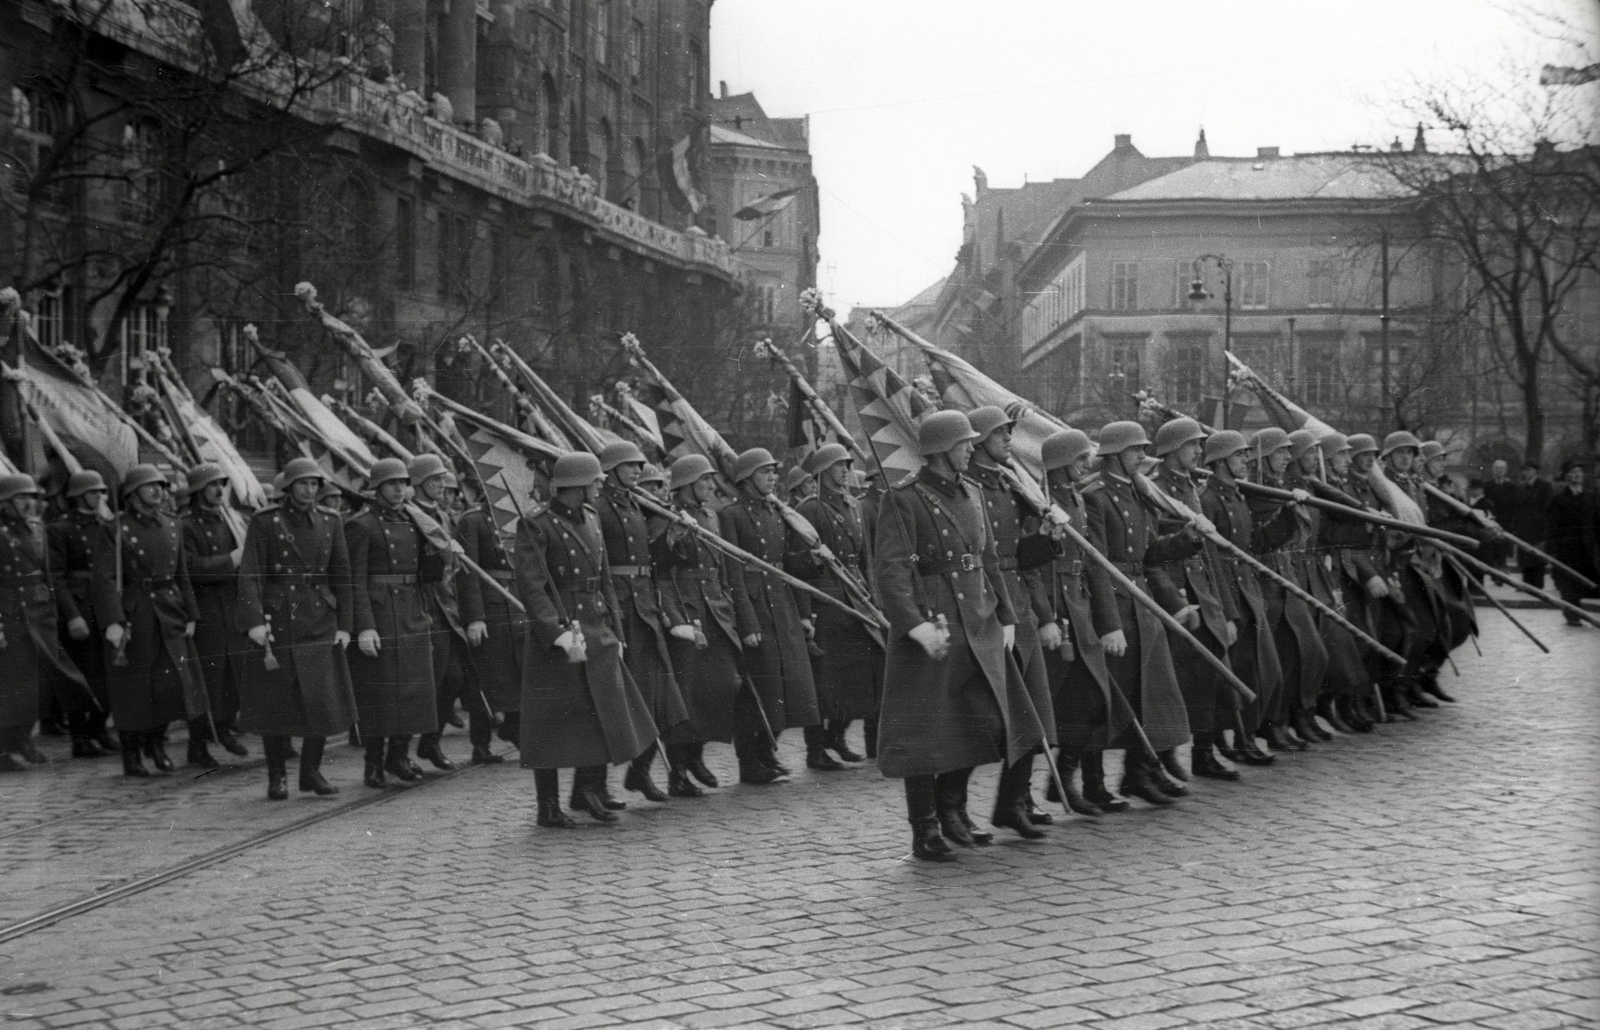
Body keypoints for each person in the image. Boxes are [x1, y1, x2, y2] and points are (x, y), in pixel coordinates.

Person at [873, 411, 1056, 860]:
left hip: (980, 618)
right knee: (926, 729)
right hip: (934, 622)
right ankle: (927, 826)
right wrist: (913, 624)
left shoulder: (972, 491)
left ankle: (952, 807)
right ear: (939, 450)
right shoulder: (904, 498)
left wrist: (1007, 615)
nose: (971, 448)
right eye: (964, 443)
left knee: (988, 719)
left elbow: (989, 559)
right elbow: (892, 569)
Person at [512, 452, 657, 827]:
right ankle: (547, 806)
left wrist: (618, 632)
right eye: (594, 482)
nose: (599, 486)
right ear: (574, 486)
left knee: (601, 712)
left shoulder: (592, 519)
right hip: (560, 633)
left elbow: (605, 579)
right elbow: (532, 587)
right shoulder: (537, 525)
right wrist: (554, 632)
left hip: (597, 626)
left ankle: (588, 791)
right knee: (551, 722)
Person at [1083, 421, 1193, 805]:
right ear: (1113, 454)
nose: (1143, 456)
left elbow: (1149, 554)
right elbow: (1095, 563)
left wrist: (1186, 540)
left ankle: (1140, 772)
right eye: (1135, 451)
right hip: (1115, 601)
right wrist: (1108, 624)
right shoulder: (1095, 496)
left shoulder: (1140, 491)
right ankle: (1093, 785)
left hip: (1141, 599)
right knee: (1107, 699)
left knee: (1153, 692)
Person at [235, 457, 358, 799]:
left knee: (320, 702)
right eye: (303, 483)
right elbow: (250, 574)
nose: (310, 489)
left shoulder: (331, 521)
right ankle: (277, 776)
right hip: (280, 622)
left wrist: (346, 625)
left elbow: (342, 577)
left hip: (320, 620)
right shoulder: (265, 522)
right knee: (277, 704)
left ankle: (311, 772)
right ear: (288, 487)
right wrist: (255, 622)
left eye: (315, 483)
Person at [964, 406, 1056, 823]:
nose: (1008, 439)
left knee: (1032, 713)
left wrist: (1048, 540)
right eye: (1000, 433)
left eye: (1008, 432)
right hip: (985, 606)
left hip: (1018, 606)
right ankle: (955, 812)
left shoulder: (1007, 486)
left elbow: (1021, 558)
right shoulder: (968, 488)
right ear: (979, 440)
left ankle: (1014, 801)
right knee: (981, 721)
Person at [1031, 428, 1129, 812]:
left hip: (1079, 606)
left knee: (1092, 700)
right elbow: (1033, 568)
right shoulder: (1038, 499)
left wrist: (1109, 623)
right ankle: (1021, 797)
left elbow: (1095, 565)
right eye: (1080, 458)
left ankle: (1071, 780)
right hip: (1055, 608)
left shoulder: (1076, 499)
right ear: (1062, 464)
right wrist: (1044, 615)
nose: (1087, 464)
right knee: (1043, 708)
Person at [652, 454, 761, 793]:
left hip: (717, 609)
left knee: (723, 686)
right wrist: (673, 533)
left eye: (711, 481)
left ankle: (697, 754)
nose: (711, 487)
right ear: (685, 485)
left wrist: (732, 608)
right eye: (703, 481)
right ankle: (680, 770)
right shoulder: (665, 516)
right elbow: (659, 568)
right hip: (687, 608)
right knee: (688, 694)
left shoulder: (711, 515)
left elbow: (724, 567)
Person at [91, 464, 205, 778]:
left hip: (170, 611)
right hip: (135, 614)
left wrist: (191, 613)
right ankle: (131, 753)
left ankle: (156, 744)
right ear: (131, 492)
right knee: (134, 688)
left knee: (170, 684)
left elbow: (182, 574)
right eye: (149, 485)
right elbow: (103, 580)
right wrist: (113, 621)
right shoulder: (114, 527)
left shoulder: (173, 524)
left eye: (161, 485)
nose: (158, 491)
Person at [595, 441, 691, 803]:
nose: (638, 470)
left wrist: (671, 537)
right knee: (615, 702)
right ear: (612, 469)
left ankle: (639, 773)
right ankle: (591, 787)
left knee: (661, 699)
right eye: (630, 465)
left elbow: (651, 561)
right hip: (617, 608)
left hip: (645, 609)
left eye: (639, 465)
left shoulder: (637, 505)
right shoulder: (600, 508)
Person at [719, 447, 821, 783]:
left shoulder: (778, 513)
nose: (772, 478)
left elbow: (790, 565)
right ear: (747, 478)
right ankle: (750, 762)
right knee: (758, 690)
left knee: (787, 686)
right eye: (765, 472)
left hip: (782, 605)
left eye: (774, 472)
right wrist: (746, 621)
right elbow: (733, 572)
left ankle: (768, 753)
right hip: (756, 606)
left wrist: (813, 564)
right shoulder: (732, 515)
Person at [1147, 417, 1240, 780]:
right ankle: (1164, 756)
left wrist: (1227, 610)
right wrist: (1175, 601)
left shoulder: (1190, 488)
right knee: (1175, 683)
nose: (1200, 451)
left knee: (1209, 678)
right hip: (1176, 592)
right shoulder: (1156, 490)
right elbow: (1151, 552)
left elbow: (1211, 552)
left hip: (1203, 590)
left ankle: (1203, 753)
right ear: (1172, 450)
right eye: (1192, 445)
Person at [345, 458, 439, 787]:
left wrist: (441, 548)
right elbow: (354, 581)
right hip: (381, 613)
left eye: (403, 483)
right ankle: (373, 762)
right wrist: (365, 626)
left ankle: (398, 756)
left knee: (414, 691)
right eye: (392, 484)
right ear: (378, 487)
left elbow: (429, 573)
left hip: (412, 610)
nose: (399, 489)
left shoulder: (416, 520)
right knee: (380, 693)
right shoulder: (362, 524)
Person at [1199, 431, 1288, 764]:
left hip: (1247, 590)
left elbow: (1256, 545)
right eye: (1239, 456)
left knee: (1256, 669)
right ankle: (1233, 740)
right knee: (1234, 673)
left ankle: (1244, 736)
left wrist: (1288, 516)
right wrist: (1227, 611)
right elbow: (1211, 560)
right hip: (1228, 592)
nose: (1246, 461)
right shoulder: (1208, 500)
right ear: (1221, 461)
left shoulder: (1236, 496)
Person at [794, 443, 883, 770]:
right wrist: (806, 612)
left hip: (854, 594)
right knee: (825, 680)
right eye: (837, 465)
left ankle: (838, 737)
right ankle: (815, 749)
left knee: (855, 676)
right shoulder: (810, 509)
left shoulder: (853, 506)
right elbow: (798, 566)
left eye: (847, 465)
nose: (845, 470)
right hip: (826, 598)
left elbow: (865, 559)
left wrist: (873, 598)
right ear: (821, 471)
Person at [0, 474, 92, 771]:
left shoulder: (39, 529)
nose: (28, 504)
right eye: (20, 498)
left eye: (31, 497)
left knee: (37, 683)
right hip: (10, 612)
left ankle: (23, 737)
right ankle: (6, 746)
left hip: (39, 613)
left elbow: (49, 575)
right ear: (5, 503)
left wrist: (54, 612)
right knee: (12, 683)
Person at [1245, 428, 1329, 749]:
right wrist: (1288, 514)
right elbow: (1262, 539)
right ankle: (1272, 722)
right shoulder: (1255, 489)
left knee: (1306, 652)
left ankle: (1294, 716)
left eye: (1287, 452)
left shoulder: (1285, 486)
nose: (1287, 458)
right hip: (1266, 577)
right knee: (1275, 658)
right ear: (1265, 457)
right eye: (1280, 452)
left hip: (1287, 573)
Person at [406, 454, 481, 771]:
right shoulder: (409, 516)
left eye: (442, 480)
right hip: (422, 602)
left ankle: (430, 741)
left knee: (453, 676)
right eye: (434, 480)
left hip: (447, 604)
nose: (441, 485)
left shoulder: (444, 516)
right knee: (427, 679)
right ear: (420, 483)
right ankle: (400, 753)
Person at [180, 463, 249, 769]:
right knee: (206, 679)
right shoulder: (186, 526)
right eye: (212, 485)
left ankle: (222, 726)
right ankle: (197, 744)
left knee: (232, 674)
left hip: (231, 608)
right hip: (205, 609)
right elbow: (191, 566)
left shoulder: (231, 521)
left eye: (222, 484)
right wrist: (229, 560)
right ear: (197, 491)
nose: (219, 490)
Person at [48, 470, 117, 759]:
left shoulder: (107, 526)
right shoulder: (61, 529)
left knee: (110, 671)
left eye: (99, 492)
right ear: (76, 496)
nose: (97, 496)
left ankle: (99, 729)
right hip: (80, 608)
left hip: (106, 606)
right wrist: (72, 615)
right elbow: (55, 576)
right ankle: (81, 737)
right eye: (91, 492)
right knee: (82, 675)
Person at [453, 489, 523, 763]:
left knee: (516, 672)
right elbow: (466, 571)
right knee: (486, 675)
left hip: (515, 602)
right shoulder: (473, 521)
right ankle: (480, 744)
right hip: (490, 606)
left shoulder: (519, 518)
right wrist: (474, 617)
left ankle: (512, 728)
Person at [1546, 460, 1600, 626]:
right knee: (1569, 586)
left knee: (1592, 583)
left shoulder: (1592, 497)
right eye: (1574, 472)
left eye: (1580, 472)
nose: (1578, 475)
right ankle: (1572, 616)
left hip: (1589, 551)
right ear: (1567, 476)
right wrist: (1552, 550)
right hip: (1567, 551)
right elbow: (1552, 527)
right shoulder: (1558, 499)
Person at [1512, 462, 1554, 588]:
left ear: (1536, 471)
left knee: (1537, 559)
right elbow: (1516, 508)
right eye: (1524, 470)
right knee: (1525, 558)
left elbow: (1547, 509)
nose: (1525, 472)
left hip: (1538, 529)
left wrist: (1545, 531)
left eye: (1529, 469)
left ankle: (1537, 587)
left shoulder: (1545, 486)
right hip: (1523, 529)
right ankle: (1526, 585)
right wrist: (1515, 527)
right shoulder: (1520, 487)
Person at [1481, 459, 1516, 569]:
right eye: (1497, 468)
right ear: (1492, 470)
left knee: (1503, 547)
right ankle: (1496, 570)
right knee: (1493, 546)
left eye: (1501, 468)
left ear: (1505, 470)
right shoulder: (1487, 485)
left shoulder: (1511, 486)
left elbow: (1514, 504)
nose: (1499, 471)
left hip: (1506, 521)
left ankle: (1502, 567)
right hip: (1492, 520)